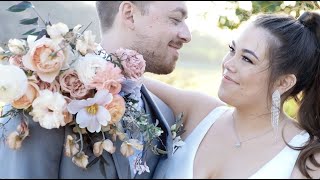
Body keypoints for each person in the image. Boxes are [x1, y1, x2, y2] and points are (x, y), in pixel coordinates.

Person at [0, 1, 191, 179]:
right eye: (175, 19)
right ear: (130, 14)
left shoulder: (166, 116)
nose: (187, 35)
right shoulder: (44, 104)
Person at [143, 11, 320, 178]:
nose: (228, 63)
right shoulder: (199, 111)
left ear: (283, 83)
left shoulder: (308, 158)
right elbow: (124, 74)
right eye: (232, 50)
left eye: (247, 59)